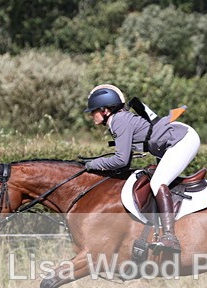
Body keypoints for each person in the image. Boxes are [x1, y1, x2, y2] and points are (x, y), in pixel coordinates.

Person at [82, 83, 200, 252]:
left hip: (181, 140)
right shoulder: (120, 119)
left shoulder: (119, 121)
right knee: (156, 179)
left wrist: (92, 165)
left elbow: (121, 160)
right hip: (172, 142)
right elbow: (126, 162)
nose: (92, 115)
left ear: (105, 110)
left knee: (157, 182)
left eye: (93, 111)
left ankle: (170, 238)